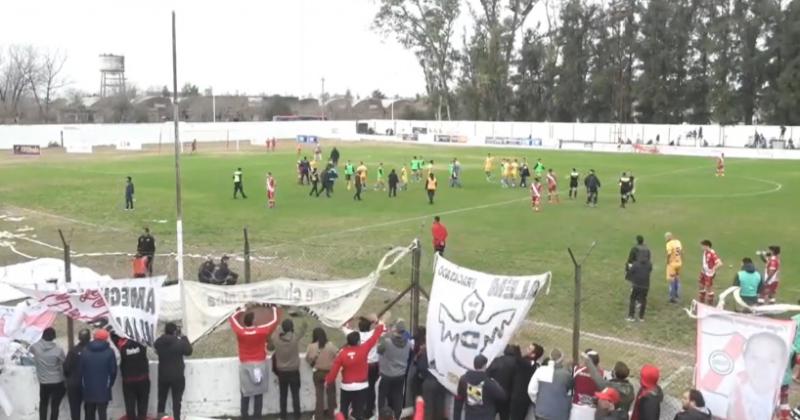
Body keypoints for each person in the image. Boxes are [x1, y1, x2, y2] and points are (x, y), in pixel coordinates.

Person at [326, 316, 387, 420]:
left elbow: (334, 371)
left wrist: (328, 381)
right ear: (358, 342)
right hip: (361, 386)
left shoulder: (342, 353)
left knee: (343, 410)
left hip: (346, 387)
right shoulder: (364, 349)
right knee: (358, 412)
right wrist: (380, 324)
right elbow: (375, 336)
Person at [230, 305, 281, 420]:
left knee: (245, 393)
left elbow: (232, 319)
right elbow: (274, 321)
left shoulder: (240, 332)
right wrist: (274, 308)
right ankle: (257, 417)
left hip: (245, 365)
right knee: (259, 393)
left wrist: (240, 310)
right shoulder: (262, 331)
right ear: (253, 321)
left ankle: (245, 416)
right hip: (260, 364)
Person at [154, 322, 193, 420]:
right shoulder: (179, 343)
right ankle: (177, 418)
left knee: (161, 400)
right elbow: (189, 351)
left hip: (163, 376)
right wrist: (183, 336)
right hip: (177, 377)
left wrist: (163, 336)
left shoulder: (159, 342)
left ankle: (160, 418)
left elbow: (156, 344)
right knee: (177, 402)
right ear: (175, 332)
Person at [271, 318, 307, 420]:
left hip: (282, 373)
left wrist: (279, 328)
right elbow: (303, 329)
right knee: (295, 396)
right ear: (292, 328)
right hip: (294, 372)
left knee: (283, 396)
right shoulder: (295, 338)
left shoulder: (276, 339)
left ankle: (283, 417)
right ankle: (297, 416)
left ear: (283, 328)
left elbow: (274, 331)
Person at [453, 354, 507, 420]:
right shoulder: (488, 383)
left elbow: (458, 400)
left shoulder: (464, 380)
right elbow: (502, 396)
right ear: (484, 366)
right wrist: (496, 383)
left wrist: (456, 418)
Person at [80, 329, 117, 420]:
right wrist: (110, 384)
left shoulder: (85, 351)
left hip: (88, 387)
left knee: (89, 413)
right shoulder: (110, 352)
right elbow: (113, 371)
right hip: (104, 387)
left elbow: (80, 370)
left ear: (94, 337)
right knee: (102, 413)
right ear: (106, 339)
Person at [112, 331, 150, 420]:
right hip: (143, 379)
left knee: (129, 404)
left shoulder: (121, 344)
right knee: (143, 403)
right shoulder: (142, 342)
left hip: (128, 380)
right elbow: (146, 333)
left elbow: (113, 335)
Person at [377, 319, 411, 419]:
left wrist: (385, 334)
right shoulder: (408, 343)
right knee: (397, 397)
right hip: (400, 375)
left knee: (382, 398)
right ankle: (396, 416)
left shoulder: (387, 342)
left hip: (387, 375)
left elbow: (379, 350)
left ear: (395, 329)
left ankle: (382, 417)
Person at [31, 327, 66, 420]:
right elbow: (64, 361)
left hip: (44, 382)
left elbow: (29, 352)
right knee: (55, 406)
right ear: (54, 337)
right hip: (57, 381)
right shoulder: (59, 349)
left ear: (42, 335)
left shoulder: (35, 347)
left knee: (43, 404)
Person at [528, 348, 573, 420]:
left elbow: (531, 390)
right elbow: (570, 395)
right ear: (562, 359)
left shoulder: (541, 370)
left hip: (541, 412)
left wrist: (538, 402)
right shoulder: (566, 375)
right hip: (559, 414)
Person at [307, 328, 339, 420]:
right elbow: (338, 356)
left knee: (319, 396)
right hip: (329, 374)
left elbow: (307, 360)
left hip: (317, 373)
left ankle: (318, 417)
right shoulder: (330, 346)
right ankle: (331, 416)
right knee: (331, 396)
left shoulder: (311, 346)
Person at [509, 343, 544, 420]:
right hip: (517, 396)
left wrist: (517, 348)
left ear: (533, 355)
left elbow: (520, 360)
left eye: (529, 349)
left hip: (521, 398)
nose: (526, 349)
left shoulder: (530, 364)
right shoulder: (527, 361)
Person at [487, 344, 521, 420]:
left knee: (490, 415)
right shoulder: (517, 364)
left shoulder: (496, 360)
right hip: (507, 396)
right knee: (505, 416)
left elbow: (487, 375)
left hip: (494, 393)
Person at [64, 328, 90, 420]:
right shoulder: (92, 351)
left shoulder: (72, 351)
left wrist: (70, 378)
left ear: (79, 338)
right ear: (89, 338)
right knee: (89, 410)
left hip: (73, 384)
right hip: (88, 384)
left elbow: (66, 368)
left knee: (75, 410)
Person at [570, 349, 604, 420]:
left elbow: (571, 384)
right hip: (592, 409)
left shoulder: (577, 369)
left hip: (577, 406)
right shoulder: (601, 373)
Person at [626, 235, 652, 321]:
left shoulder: (634, 249)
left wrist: (628, 270)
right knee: (643, 297)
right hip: (645, 280)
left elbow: (630, 261)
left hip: (636, 273)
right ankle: (641, 316)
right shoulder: (647, 250)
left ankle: (631, 315)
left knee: (633, 294)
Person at [699, 240, 723, 305]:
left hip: (709, 274)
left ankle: (710, 302)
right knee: (701, 285)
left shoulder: (712, 253)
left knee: (708, 287)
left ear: (707, 246)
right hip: (704, 271)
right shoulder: (705, 252)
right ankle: (701, 301)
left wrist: (713, 269)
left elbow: (720, 263)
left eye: (703, 246)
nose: (701, 247)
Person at [665, 232, 683, 303]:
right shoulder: (678, 242)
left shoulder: (669, 244)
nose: (665, 239)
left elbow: (669, 253)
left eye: (666, 237)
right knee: (677, 279)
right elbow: (681, 251)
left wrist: (667, 261)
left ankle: (672, 297)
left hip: (672, 264)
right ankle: (678, 295)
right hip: (679, 263)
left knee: (671, 280)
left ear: (669, 237)